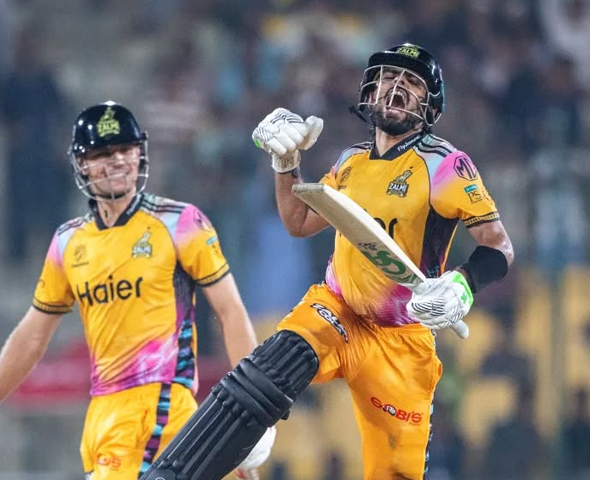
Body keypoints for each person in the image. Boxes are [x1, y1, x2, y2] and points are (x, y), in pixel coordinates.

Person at [141, 43, 515, 480]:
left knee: (395, 474)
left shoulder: (445, 165)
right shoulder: (350, 161)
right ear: (370, 90)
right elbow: (299, 221)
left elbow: (498, 245)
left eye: (412, 81)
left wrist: (463, 284)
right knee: (266, 374)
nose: (397, 86)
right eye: (388, 76)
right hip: (338, 308)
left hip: (403, 338)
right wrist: (286, 163)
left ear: (430, 104)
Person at [0, 102, 274, 480]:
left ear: (140, 154)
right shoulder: (68, 242)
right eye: (102, 153)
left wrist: (252, 404)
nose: (116, 161)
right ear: (82, 164)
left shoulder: (180, 223)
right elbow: (33, 333)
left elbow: (230, 311)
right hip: (105, 417)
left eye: (125, 149)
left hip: (162, 407)